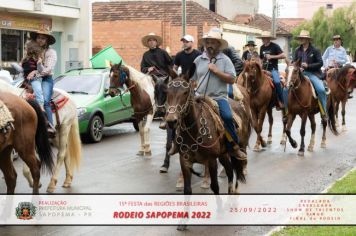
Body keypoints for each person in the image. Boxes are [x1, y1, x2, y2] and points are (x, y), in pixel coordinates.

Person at [191, 28, 247, 160]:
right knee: (181, 114)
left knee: (227, 117)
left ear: (218, 44)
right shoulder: (198, 60)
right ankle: (179, 143)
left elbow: (232, 79)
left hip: (218, 98)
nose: (209, 45)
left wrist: (216, 71)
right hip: (199, 97)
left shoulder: (225, 60)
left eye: (213, 42)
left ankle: (234, 147)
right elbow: (192, 79)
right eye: (208, 42)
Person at [26, 30, 57, 136]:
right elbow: (27, 63)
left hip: (46, 78)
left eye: (43, 38)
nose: (40, 40)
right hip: (33, 78)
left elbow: (47, 70)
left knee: (45, 101)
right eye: (38, 37)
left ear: (47, 40)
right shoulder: (33, 49)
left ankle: (50, 126)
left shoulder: (51, 52)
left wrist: (35, 73)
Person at [292, 30, 328, 122]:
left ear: (308, 40)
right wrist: (297, 67)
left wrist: (308, 66)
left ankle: (324, 112)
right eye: (300, 38)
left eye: (303, 38)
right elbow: (294, 62)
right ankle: (287, 110)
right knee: (287, 87)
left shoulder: (315, 50)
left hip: (313, 73)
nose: (301, 39)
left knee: (321, 90)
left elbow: (320, 63)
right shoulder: (297, 50)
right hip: (300, 74)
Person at [258, 31, 286, 110]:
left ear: (269, 39)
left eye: (265, 38)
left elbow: (283, 55)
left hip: (273, 69)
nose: (264, 39)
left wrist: (272, 57)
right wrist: (260, 64)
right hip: (264, 69)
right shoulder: (262, 47)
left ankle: (280, 101)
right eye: (263, 38)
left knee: (277, 82)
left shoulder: (275, 46)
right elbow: (261, 58)